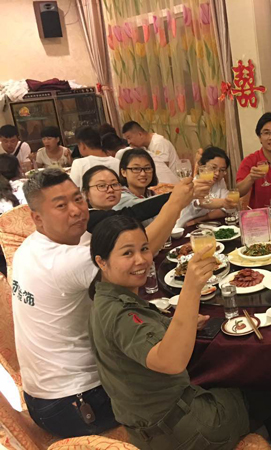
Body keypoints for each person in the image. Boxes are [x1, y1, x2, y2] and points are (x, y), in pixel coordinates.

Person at [11, 169, 195, 437]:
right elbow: (138, 256)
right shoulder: (62, 261)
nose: (76, 210)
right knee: (183, 370)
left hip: (44, 394)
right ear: (37, 218)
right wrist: (175, 204)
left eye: (77, 199)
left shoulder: (31, 245)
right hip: (76, 401)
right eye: (61, 206)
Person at [89, 216, 250, 448]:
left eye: (144, 249)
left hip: (150, 423)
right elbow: (171, 362)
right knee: (256, 388)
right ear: (101, 262)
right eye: (127, 253)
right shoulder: (120, 314)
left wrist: (179, 324)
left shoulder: (103, 297)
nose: (141, 260)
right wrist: (191, 287)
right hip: (177, 431)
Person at [81, 165, 187, 233]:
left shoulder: (110, 211)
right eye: (101, 186)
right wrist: (175, 196)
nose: (110, 190)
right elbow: (133, 213)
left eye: (114, 184)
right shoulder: (89, 217)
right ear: (86, 193)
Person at [177, 147, 237, 227]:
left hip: (207, 224)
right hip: (186, 227)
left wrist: (199, 219)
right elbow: (202, 202)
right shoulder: (195, 183)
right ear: (202, 166)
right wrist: (224, 203)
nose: (217, 173)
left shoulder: (220, 182)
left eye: (222, 170)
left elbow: (225, 210)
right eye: (213, 167)